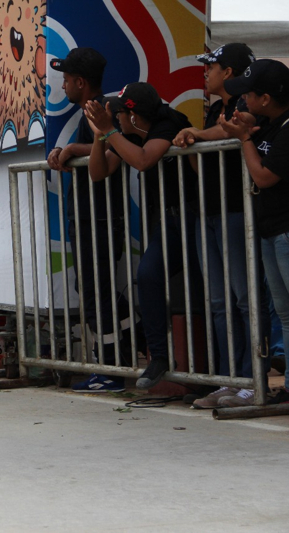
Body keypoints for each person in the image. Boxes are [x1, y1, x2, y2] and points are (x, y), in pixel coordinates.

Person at [85, 82, 201, 390]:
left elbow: (144, 160)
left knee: (215, 295)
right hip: (170, 220)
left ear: (133, 115)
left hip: (198, 217)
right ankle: (159, 357)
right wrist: (101, 135)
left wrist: (109, 132)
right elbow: (98, 172)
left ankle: (222, 375)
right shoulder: (128, 131)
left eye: (120, 113)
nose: (118, 120)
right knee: (148, 275)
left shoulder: (168, 121)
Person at [173, 43, 266, 408]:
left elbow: (229, 135)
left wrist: (195, 133)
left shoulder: (245, 106)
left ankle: (251, 378)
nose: (205, 73)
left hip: (237, 211)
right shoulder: (215, 109)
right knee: (218, 301)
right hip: (209, 211)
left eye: (210, 67)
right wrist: (195, 138)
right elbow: (209, 149)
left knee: (246, 298)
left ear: (228, 72)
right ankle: (229, 378)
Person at [47, 47, 131, 392]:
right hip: (87, 216)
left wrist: (73, 150)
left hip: (99, 217)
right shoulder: (90, 113)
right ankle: (123, 352)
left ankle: (112, 367)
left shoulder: (104, 109)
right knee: (94, 289)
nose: (63, 85)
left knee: (97, 292)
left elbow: (116, 145)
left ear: (81, 82)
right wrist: (69, 150)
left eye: (66, 79)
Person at [220, 59, 289, 406]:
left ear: (266, 98)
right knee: (285, 314)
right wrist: (247, 127)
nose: (243, 99)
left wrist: (245, 138)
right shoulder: (270, 122)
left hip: (285, 233)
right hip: (270, 231)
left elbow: (263, 177)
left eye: (248, 94)